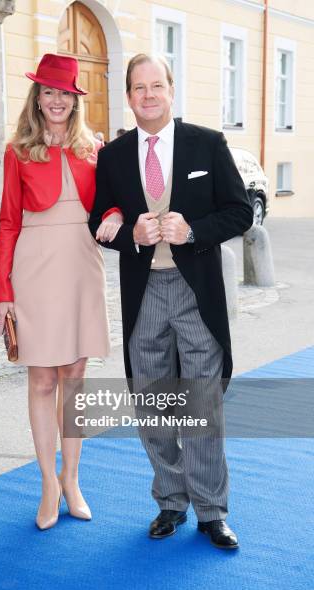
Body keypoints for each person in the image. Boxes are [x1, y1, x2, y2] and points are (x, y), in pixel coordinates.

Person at [89, 54, 253, 549]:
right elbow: (99, 218)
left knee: (202, 403)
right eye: (139, 87)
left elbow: (240, 212)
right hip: (145, 295)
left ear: (171, 89)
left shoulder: (208, 143)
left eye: (156, 85)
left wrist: (194, 231)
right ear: (129, 95)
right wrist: (129, 235)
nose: (149, 95)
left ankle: (211, 510)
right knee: (151, 402)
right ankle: (170, 501)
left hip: (196, 292)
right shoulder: (114, 156)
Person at [0, 53, 119, 531]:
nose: (56, 100)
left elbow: (115, 200)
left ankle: (72, 479)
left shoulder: (95, 149)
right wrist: (2, 290)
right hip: (35, 268)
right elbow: (6, 223)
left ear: (74, 99)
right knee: (42, 379)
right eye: (48, 91)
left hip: (82, 265)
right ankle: (46, 483)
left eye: (65, 92)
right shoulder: (17, 151)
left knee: (75, 378)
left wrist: (116, 214)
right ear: (37, 98)